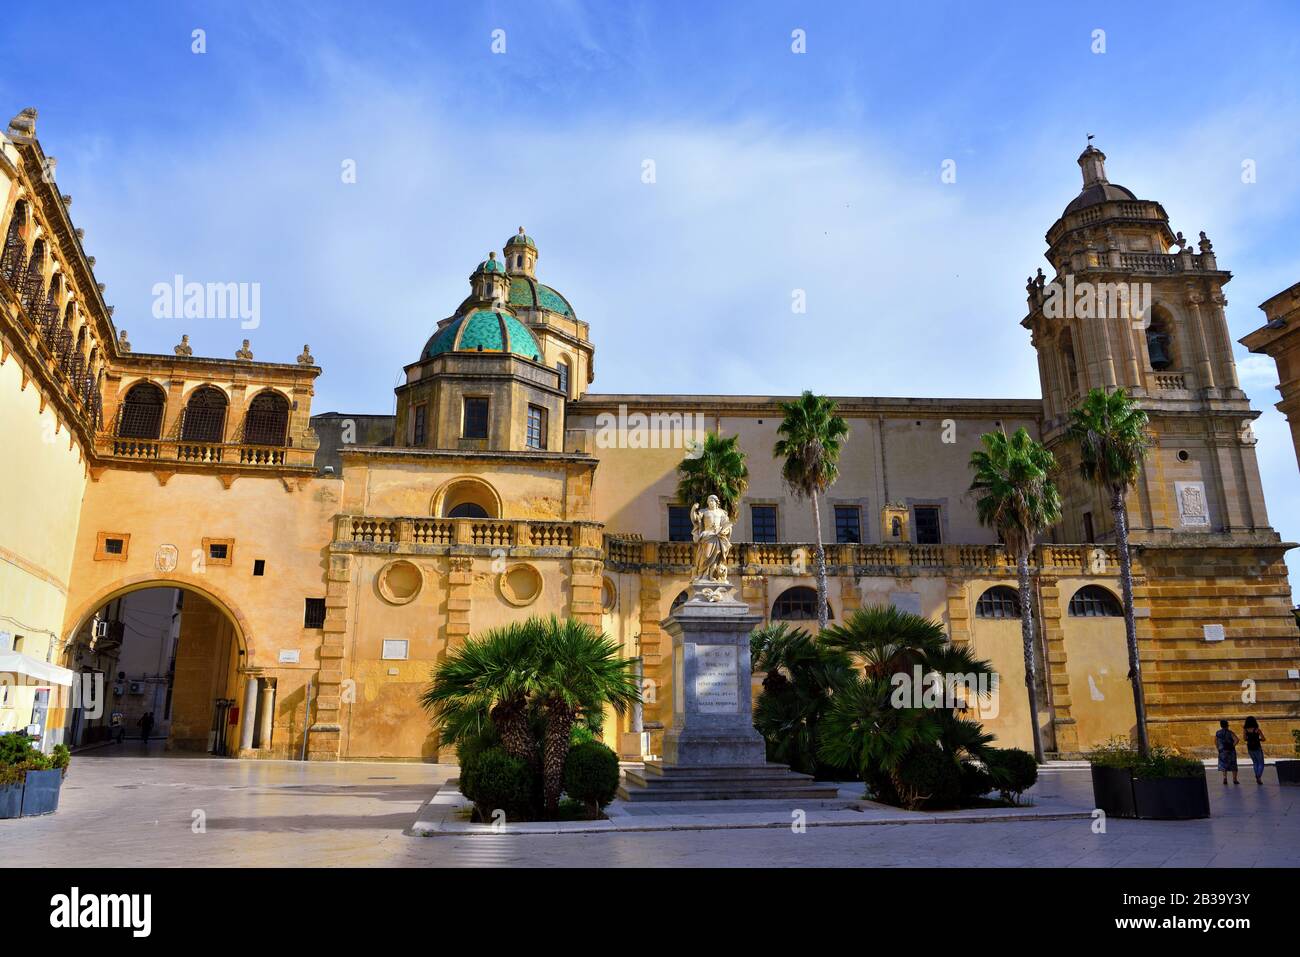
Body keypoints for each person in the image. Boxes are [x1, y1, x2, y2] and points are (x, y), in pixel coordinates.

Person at [1243, 716, 1266, 785]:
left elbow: (1244, 738)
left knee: (1255, 762)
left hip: (1250, 747)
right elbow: (1263, 738)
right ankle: (1258, 776)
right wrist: (1259, 739)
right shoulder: (1257, 730)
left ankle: (1257, 777)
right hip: (1257, 747)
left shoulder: (1245, 730)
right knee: (1261, 763)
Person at [1215, 719, 1239, 785]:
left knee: (1223, 765)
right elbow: (1236, 740)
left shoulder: (1218, 733)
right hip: (1230, 751)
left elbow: (1216, 742)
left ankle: (1225, 778)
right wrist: (1232, 746)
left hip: (1222, 751)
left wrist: (1218, 748)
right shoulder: (1230, 732)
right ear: (1227, 725)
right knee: (1233, 764)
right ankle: (1234, 779)